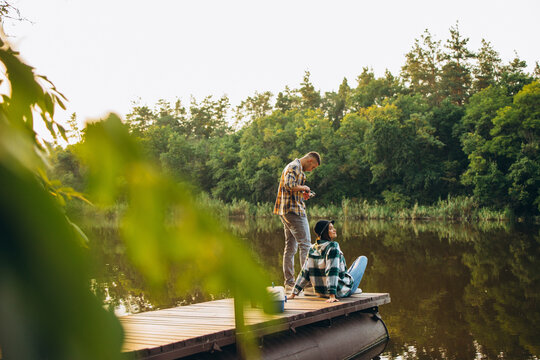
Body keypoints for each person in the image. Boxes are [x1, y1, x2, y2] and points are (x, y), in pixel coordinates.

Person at [273, 151, 320, 294]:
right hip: (293, 211)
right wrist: (304, 188)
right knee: (306, 245)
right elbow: (289, 185)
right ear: (310, 160)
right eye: (313, 167)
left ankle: (290, 284)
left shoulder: (297, 169)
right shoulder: (294, 167)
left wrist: (303, 194)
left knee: (291, 247)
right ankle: (307, 285)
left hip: (287, 210)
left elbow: (293, 189)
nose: (312, 170)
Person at [288, 220, 367, 303]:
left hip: (321, 293)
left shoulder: (312, 248)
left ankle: (352, 288)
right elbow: (332, 271)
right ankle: (351, 289)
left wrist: (294, 293)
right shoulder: (333, 247)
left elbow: (305, 272)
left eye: (333, 228)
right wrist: (332, 295)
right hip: (338, 292)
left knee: (346, 272)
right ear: (324, 232)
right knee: (362, 259)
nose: (334, 230)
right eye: (330, 229)